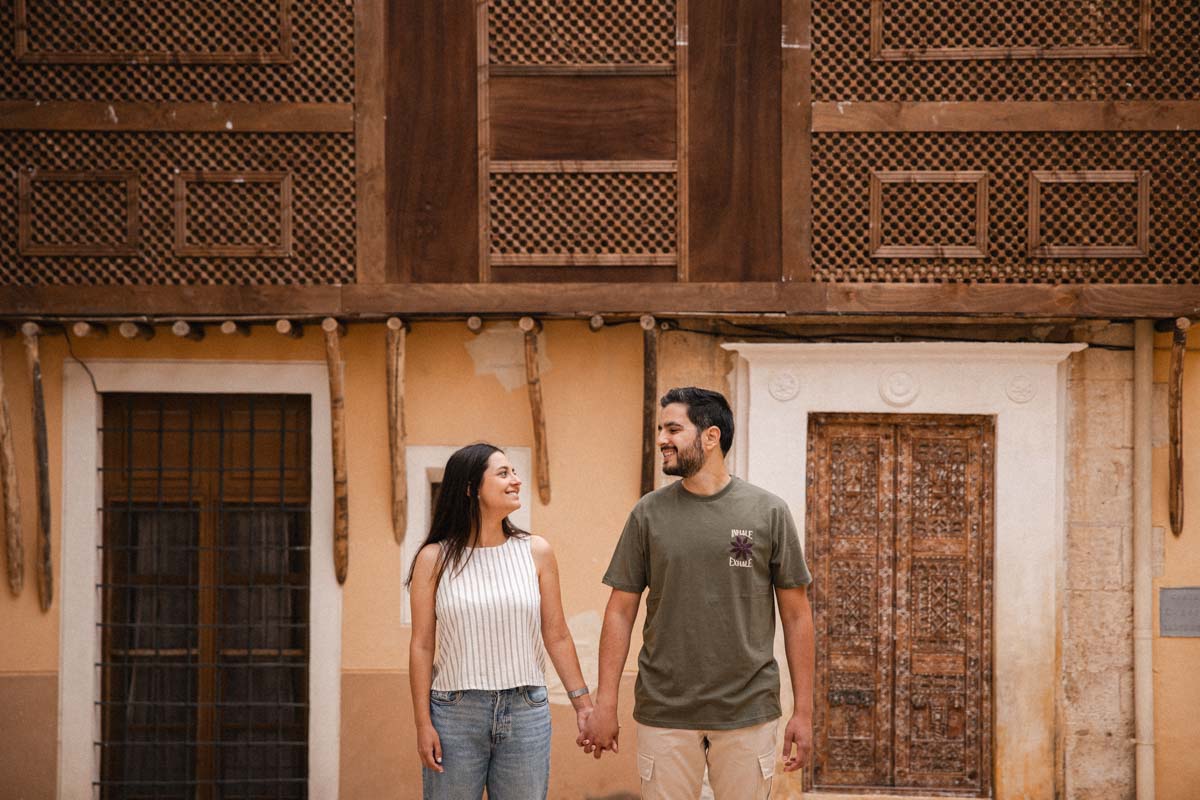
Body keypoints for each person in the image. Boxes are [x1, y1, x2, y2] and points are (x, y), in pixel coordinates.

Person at [579, 387, 815, 799]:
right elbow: (620, 611)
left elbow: (797, 616)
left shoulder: (768, 512)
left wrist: (805, 712)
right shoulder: (647, 513)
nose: (661, 439)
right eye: (661, 429)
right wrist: (606, 704)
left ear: (710, 436)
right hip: (664, 711)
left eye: (673, 429)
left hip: (748, 710)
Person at [407, 443, 593, 799]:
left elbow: (556, 634)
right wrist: (422, 723)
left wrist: (583, 705)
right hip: (454, 714)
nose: (516, 481)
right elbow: (422, 645)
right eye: (504, 473)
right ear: (471, 488)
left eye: (514, 472)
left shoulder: (536, 551)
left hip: (526, 712)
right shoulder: (433, 559)